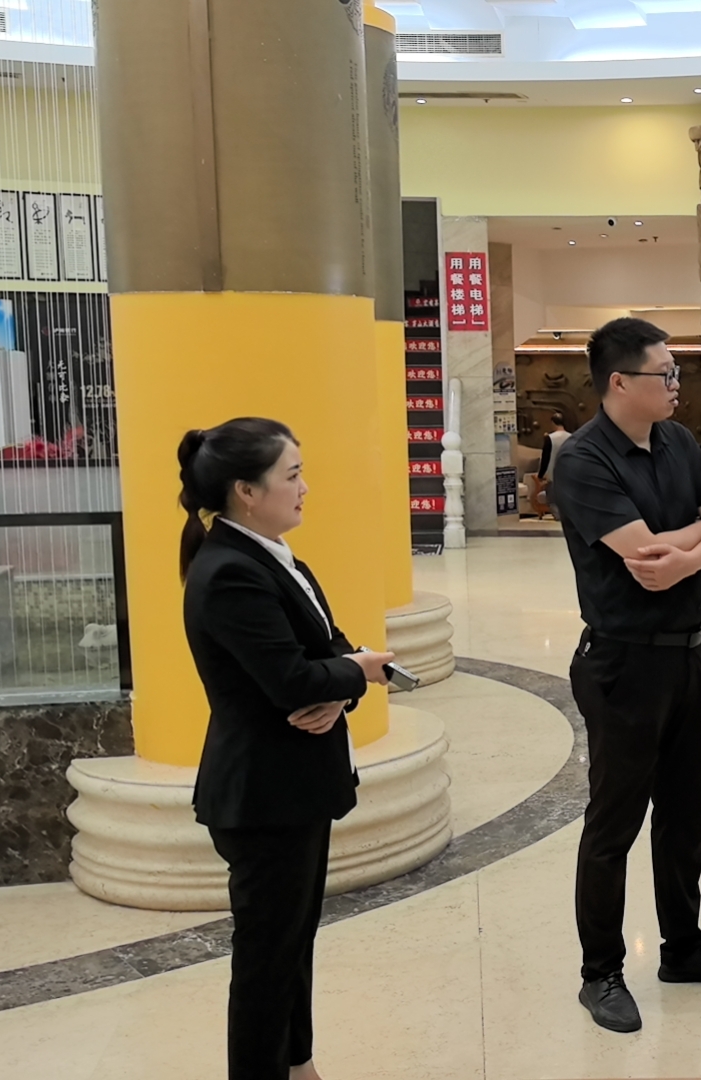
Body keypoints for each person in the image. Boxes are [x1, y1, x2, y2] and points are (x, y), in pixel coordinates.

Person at [550, 317, 701, 1035]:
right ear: (618, 382)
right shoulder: (582, 460)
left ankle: (684, 948)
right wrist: (699, 538)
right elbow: (643, 560)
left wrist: (690, 551)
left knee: (687, 811)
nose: (676, 384)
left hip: (691, 653)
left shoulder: (677, 441)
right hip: (623, 661)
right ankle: (600, 972)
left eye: (676, 372)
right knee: (615, 822)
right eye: (664, 373)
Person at [179, 418, 399, 1080]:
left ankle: (298, 1066)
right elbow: (292, 679)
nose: (305, 487)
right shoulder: (229, 573)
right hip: (263, 796)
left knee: (292, 943)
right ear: (247, 491)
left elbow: (327, 646)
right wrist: (354, 673)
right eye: (292, 475)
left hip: (294, 786)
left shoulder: (273, 555)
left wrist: (341, 684)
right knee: (266, 962)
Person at [533, 412, 572, 520]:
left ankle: (559, 517)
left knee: (552, 499)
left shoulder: (550, 438)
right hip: (569, 474)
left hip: (553, 474)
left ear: (553, 423)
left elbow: (545, 458)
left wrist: (540, 475)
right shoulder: (572, 437)